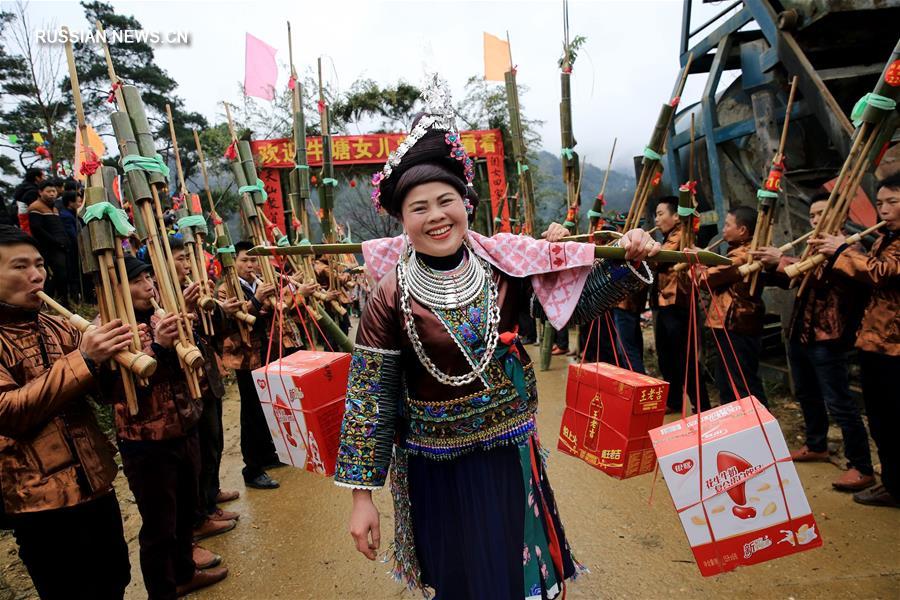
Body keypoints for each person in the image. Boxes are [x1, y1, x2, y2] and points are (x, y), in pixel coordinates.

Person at [335, 88, 660, 599]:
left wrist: (628, 260)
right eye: (419, 207)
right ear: (402, 220)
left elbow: (572, 308)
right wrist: (362, 498)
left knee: (508, 573)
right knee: (457, 579)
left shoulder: (507, 267)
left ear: (465, 204)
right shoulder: (389, 295)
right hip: (432, 463)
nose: (436, 215)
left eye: (446, 201)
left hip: (506, 453)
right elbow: (368, 399)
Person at [0, 225, 132, 598]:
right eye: (20, 266)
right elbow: (9, 412)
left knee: (115, 577)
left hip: (94, 479)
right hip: (38, 499)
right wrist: (85, 359)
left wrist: (119, 359)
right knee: (70, 590)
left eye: (39, 264)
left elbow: (106, 396)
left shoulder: (59, 325)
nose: (36, 275)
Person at [109, 256, 228, 598]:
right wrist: (159, 346)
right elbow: (117, 390)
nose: (149, 285)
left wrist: (187, 328)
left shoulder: (160, 316)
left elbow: (193, 363)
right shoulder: (110, 328)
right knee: (160, 526)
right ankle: (163, 590)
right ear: (117, 287)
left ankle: (185, 573)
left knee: (185, 512)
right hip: (146, 440)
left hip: (184, 426)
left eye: (149, 277)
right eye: (137, 280)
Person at [752, 191, 873, 492]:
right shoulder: (814, 247)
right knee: (807, 393)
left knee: (839, 402)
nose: (816, 220)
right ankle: (816, 444)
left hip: (828, 336)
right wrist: (773, 266)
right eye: (812, 215)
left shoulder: (851, 249)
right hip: (802, 332)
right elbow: (793, 280)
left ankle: (861, 466)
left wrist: (783, 261)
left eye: (822, 214)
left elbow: (823, 278)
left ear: (840, 215)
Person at [809, 174, 900, 508]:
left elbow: (882, 273)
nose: (883, 209)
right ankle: (893, 483)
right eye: (880, 203)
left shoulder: (874, 245)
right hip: (873, 340)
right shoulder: (883, 238)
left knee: (893, 418)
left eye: (892, 202)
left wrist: (842, 251)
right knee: (881, 419)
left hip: (895, 345)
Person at [168, 237, 242, 536]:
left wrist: (218, 309)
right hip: (187, 385)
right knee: (198, 450)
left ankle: (211, 495)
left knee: (214, 441)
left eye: (187, 258)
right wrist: (185, 306)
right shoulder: (161, 294)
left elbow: (215, 330)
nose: (187, 264)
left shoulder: (197, 289)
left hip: (208, 376)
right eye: (180, 259)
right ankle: (201, 511)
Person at [700, 205, 767, 406]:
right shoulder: (736, 251)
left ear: (742, 230)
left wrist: (696, 268)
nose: (723, 230)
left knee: (743, 384)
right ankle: (736, 422)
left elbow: (707, 278)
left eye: (727, 225)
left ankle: (760, 423)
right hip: (727, 324)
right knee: (726, 382)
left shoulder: (746, 254)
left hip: (737, 323)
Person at [651, 197, 710, 412]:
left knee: (685, 358)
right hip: (664, 303)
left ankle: (702, 406)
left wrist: (646, 248)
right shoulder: (668, 237)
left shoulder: (682, 235)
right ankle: (674, 401)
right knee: (666, 356)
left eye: (660, 214)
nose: (656, 219)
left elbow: (657, 260)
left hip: (678, 303)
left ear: (676, 216)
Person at [27, 180, 69, 306]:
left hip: (59, 246)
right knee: (55, 274)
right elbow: (37, 229)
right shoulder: (35, 207)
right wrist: (55, 241)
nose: (52, 194)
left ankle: (61, 301)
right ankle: (52, 302)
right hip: (46, 247)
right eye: (48, 191)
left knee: (62, 274)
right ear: (40, 192)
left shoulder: (55, 208)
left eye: (54, 191)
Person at [12, 168, 43, 233]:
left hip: (20, 222)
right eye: (43, 176)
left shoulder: (23, 188)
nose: (44, 178)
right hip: (30, 224)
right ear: (37, 178)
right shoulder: (32, 192)